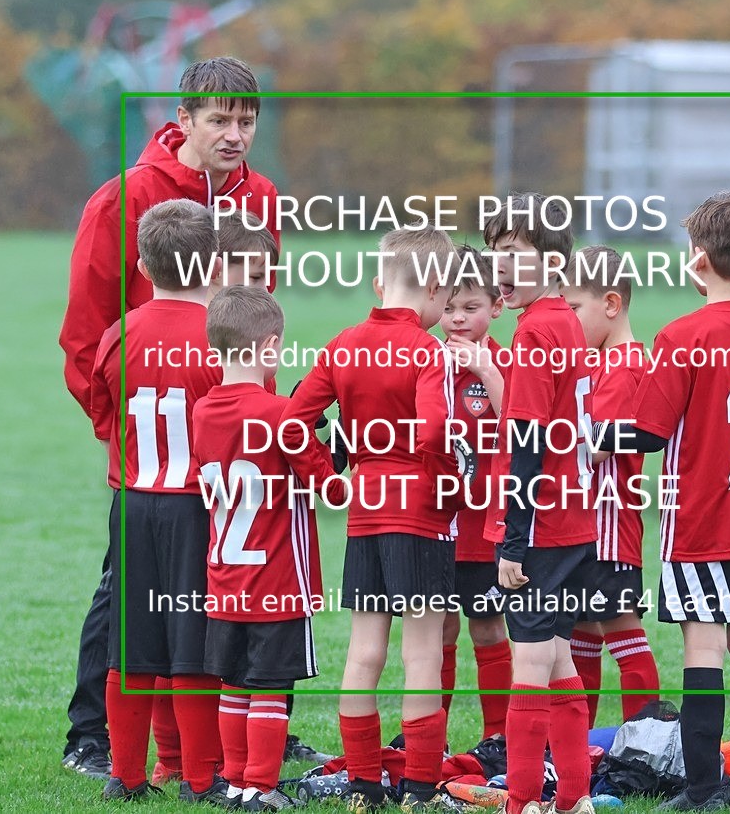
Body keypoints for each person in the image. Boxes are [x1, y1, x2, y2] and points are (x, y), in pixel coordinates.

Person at [59, 56, 280, 779]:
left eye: (246, 121)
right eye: (219, 119)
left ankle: (244, 732)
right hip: (157, 449)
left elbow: (254, 323)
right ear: (182, 120)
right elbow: (87, 338)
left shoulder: (262, 198)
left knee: (241, 582)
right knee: (127, 596)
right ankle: (90, 736)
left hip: (232, 445)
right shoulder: (123, 200)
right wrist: (127, 436)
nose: (235, 134)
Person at [594, 191, 730, 808]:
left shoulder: (682, 335)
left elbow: (649, 434)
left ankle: (704, 787)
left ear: (701, 261)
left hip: (700, 522)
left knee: (703, 649)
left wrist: (580, 434)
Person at [281, 224, 464, 812]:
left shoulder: (342, 344)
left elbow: (291, 424)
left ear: (378, 282)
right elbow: (435, 428)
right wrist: (447, 484)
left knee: (364, 653)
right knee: (422, 656)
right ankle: (417, 787)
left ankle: (362, 786)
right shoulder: (428, 351)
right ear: (434, 289)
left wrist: (330, 483)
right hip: (420, 513)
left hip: (365, 511)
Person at [89, 199, 226, 802]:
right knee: (192, 642)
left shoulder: (120, 332)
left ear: (143, 265)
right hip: (196, 505)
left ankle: (126, 774)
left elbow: (103, 410)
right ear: (216, 263)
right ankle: (201, 778)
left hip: (134, 502)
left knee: (131, 642)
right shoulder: (222, 336)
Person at [192, 286, 345, 809]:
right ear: (271, 346)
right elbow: (329, 487)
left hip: (225, 576)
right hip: (278, 578)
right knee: (271, 687)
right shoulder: (282, 414)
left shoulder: (203, 411)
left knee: (234, 683)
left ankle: (234, 782)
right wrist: (338, 448)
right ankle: (260, 786)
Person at [482, 193, 597, 814]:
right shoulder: (565, 321)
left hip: (544, 524)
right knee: (556, 658)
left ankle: (523, 798)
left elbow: (528, 440)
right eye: (497, 251)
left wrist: (511, 542)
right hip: (575, 521)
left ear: (553, 260)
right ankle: (574, 797)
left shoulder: (535, 332)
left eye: (514, 252)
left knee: (529, 662)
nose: (501, 265)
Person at [560, 245, 660, 728]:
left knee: (623, 632)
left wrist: (544, 433)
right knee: (582, 632)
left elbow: (598, 447)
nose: (567, 318)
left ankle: (646, 741)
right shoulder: (598, 361)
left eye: (573, 307)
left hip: (608, 527)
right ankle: (587, 740)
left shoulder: (624, 367)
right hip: (584, 525)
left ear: (612, 304)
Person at [439, 245, 513, 741]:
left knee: (488, 629)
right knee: (438, 633)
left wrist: (488, 373)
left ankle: (496, 737)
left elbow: (525, 428)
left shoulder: (505, 364)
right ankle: (432, 736)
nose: (458, 318)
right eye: (448, 306)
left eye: (471, 307)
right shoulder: (425, 361)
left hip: (487, 528)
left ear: (497, 306)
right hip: (438, 526)